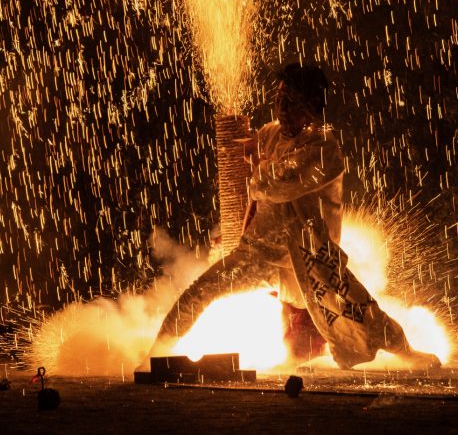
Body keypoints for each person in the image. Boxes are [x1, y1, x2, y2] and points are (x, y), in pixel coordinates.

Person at [153, 63, 440, 369]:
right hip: (262, 251)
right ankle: (154, 355)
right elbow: (258, 156)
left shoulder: (324, 148)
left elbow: (278, 186)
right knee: (202, 290)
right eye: (278, 101)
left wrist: (255, 165)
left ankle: (407, 353)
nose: (282, 110)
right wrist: (240, 145)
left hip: (311, 256)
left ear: (312, 108)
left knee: (362, 313)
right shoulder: (271, 134)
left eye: (291, 104)